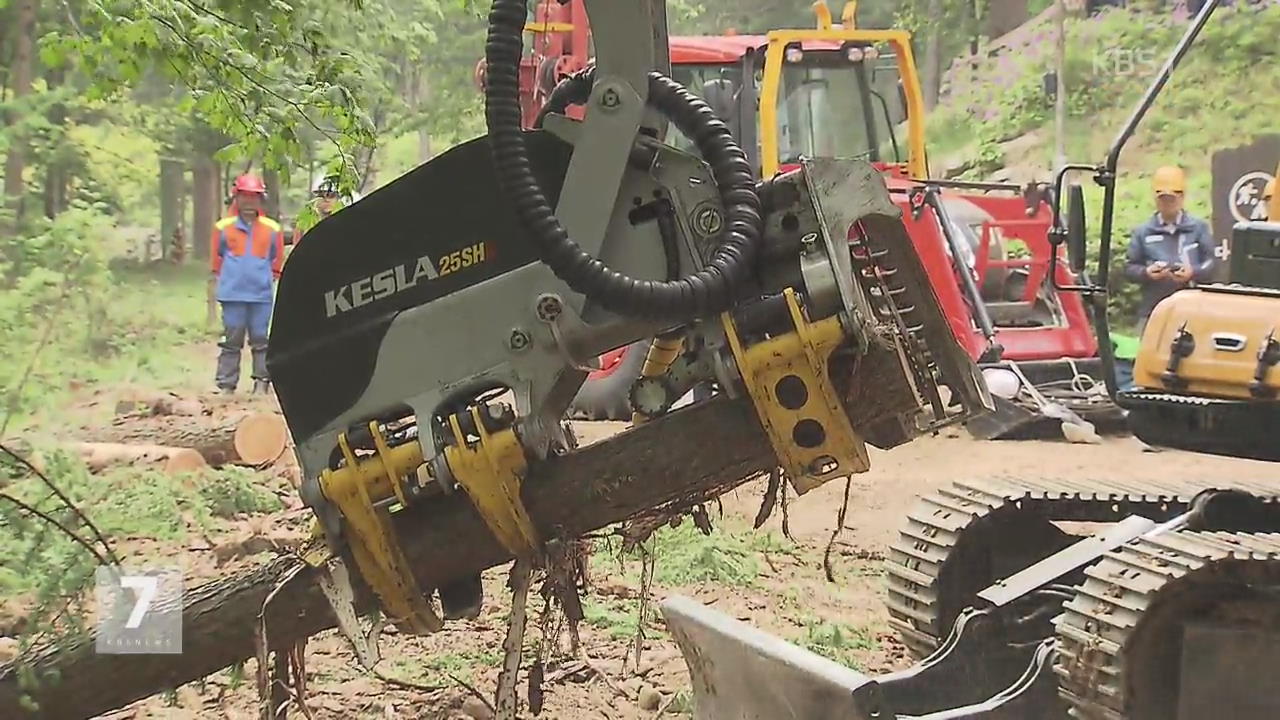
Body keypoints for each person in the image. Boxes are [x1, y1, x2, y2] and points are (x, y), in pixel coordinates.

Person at [211, 173, 284, 394]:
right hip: (233, 294)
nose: (249, 202)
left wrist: (267, 278)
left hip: (260, 294)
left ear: (261, 200)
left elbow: (276, 260)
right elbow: (216, 259)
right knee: (231, 339)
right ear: (236, 198)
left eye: (254, 197)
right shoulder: (223, 227)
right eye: (244, 197)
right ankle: (226, 385)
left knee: (261, 339)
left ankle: (262, 383)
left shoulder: (273, 229)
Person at [1123, 165, 1215, 332]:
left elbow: (1212, 263)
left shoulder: (1198, 228)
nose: (1167, 203)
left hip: (1193, 309)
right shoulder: (1143, 232)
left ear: (1182, 197)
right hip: (1154, 309)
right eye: (1163, 198)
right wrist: (1146, 273)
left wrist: (1192, 272)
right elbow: (1130, 268)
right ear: (1155, 199)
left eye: (1172, 198)